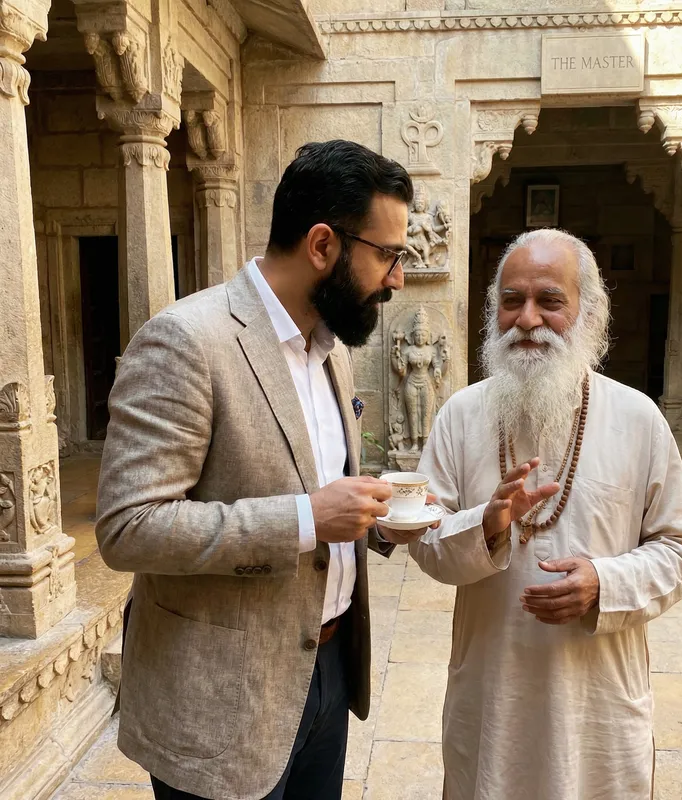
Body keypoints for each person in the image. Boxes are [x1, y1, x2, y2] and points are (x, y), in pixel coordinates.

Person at [95, 140, 427, 800]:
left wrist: (376, 520)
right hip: (220, 704)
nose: (397, 278)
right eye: (388, 255)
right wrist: (308, 518)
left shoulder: (330, 347)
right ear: (324, 246)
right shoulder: (186, 341)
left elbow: (315, 484)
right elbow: (128, 527)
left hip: (327, 671)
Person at [409, 228, 682, 800]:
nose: (527, 319)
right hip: (491, 698)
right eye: (511, 301)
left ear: (589, 312)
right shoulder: (459, 415)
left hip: (597, 711)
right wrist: (487, 524)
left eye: (549, 300)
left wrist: (605, 581)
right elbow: (425, 538)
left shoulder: (637, 418)